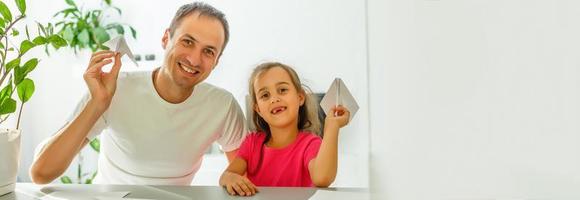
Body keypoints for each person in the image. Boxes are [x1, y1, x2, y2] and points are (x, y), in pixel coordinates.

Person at [30, 2, 247, 185]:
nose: (194, 59)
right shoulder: (114, 89)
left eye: (208, 51)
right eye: (187, 41)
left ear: (216, 62)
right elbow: (41, 173)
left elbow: (246, 178)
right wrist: (98, 103)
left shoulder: (223, 106)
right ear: (166, 39)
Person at [219, 62, 351, 196]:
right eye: (265, 95)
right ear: (258, 109)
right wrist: (229, 178)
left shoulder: (310, 144)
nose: (274, 99)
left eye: (282, 90)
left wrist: (332, 127)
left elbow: (323, 178)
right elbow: (226, 176)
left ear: (300, 97)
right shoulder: (252, 143)